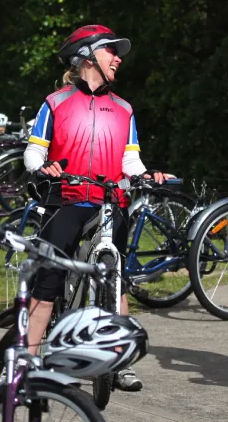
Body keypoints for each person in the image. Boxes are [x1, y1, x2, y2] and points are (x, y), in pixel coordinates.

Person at [23, 25, 165, 392]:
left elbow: (130, 161)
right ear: (87, 57)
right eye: (111, 52)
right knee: (49, 280)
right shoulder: (56, 102)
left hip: (108, 202)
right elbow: (34, 152)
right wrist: (43, 168)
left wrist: (146, 174)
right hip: (66, 200)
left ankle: (120, 362)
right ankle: (28, 360)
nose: (118, 58)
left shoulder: (123, 109)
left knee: (115, 279)